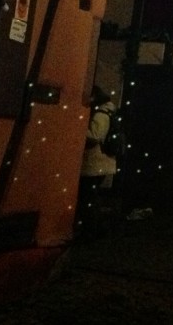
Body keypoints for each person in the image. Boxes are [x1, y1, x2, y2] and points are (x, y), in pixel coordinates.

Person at [77, 85, 117, 237]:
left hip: (96, 162)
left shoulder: (101, 113)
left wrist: (78, 127)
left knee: (88, 197)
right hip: (101, 163)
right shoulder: (108, 112)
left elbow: (95, 135)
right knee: (90, 196)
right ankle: (92, 228)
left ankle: (91, 229)